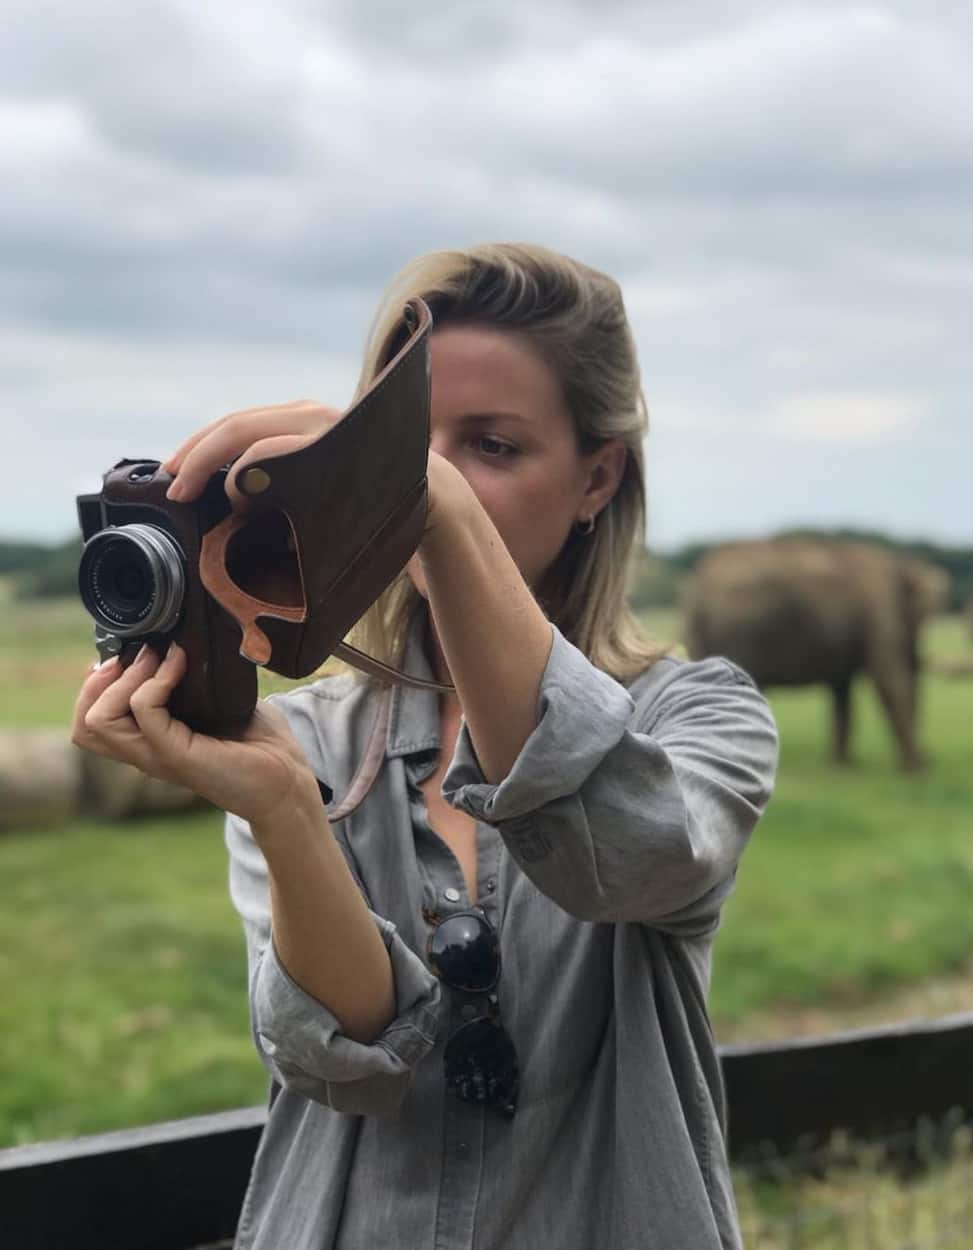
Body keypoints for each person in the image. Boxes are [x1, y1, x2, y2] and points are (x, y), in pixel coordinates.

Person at [71, 242, 779, 1249]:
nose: (434, 485)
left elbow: (623, 859)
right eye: (408, 448)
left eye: (490, 446)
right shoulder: (306, 736)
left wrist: (429, 500)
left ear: (596, 477)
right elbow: (347, 1058)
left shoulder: (701, 719)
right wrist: (281, 807)